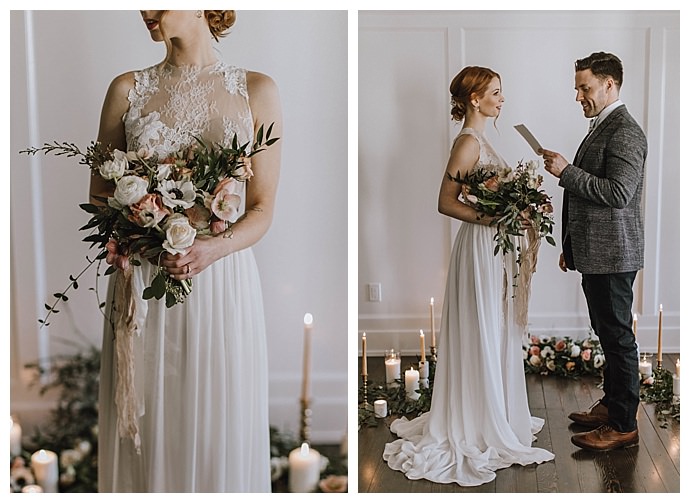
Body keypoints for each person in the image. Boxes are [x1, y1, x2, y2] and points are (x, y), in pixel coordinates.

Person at [93, 10, 282, 491]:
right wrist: (149, 237)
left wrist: (209, 250)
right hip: (144, 281)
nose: (146, 11)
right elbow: (99, 196)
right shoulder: (125, 90)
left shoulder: (256, 90)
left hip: (222, 285)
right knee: (152, 424)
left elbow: (261, 210)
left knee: (220, 423)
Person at [382, 66, 554, 487]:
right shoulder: (467, 142)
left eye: (501, 92)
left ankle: (493, 409)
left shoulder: (483, 139)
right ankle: (477, 420)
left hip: (493, 248)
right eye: (495, 92)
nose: (501, 99)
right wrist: (495, 217)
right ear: (474, 99)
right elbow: (445, 202)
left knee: (494, 328)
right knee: (483, 327)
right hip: (480, 248)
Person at [541, 52, 646, 451]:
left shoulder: (624, 131)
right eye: (577, 89)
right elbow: (589, 196)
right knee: (607, 333)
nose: (579, 96)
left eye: (585, 88)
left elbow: (619, 194)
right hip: (596, 252)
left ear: (609, 84)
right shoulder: (602, 126)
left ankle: (623, 425)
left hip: (615, 254)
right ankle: (612, 406)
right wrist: (572, 247)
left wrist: (566, 172)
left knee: (618, 338)